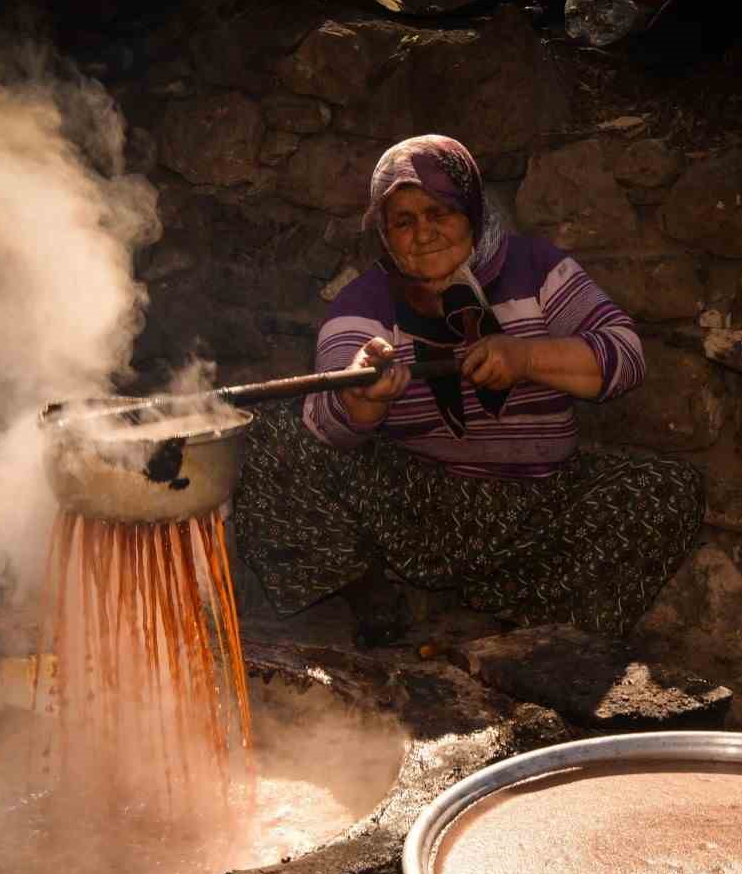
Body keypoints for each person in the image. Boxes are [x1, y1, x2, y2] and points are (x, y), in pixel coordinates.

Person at [232, 134, 702, 646]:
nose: (424, 234)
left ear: (472, 212)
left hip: (541, 503)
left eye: (440, 213)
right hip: (419, 504)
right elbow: (326, 416)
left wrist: (525, 357)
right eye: (404, 222)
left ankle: (546, 637)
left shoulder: (536, 268)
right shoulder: (367, 298)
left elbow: (626, 355)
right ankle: (367, 595)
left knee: (669, 488)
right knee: (272, 433)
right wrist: (363, 397)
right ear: (385, 234)